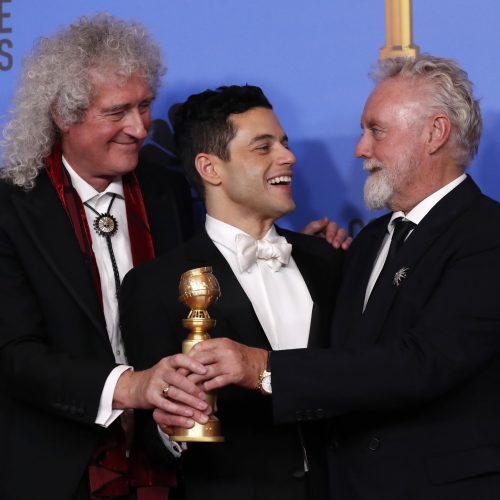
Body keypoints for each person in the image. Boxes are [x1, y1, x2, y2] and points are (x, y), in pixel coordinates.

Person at [171, 55, 500, 499]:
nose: (360, 149)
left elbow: (421, 363)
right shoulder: (366, 245)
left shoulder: (486, 235)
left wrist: (263, 369)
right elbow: (347, 358)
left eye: (376, 131)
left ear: (434, 133)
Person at [0, 14, 210, 500]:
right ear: (63, 115)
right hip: (52, 468)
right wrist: (129, 388)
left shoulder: (167, 189)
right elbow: (13, 354)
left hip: (164, 467)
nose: (138, 128)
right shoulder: (12, 208)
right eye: (117, 112)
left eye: (144, 106)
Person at [119, 85, 345, 500]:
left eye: (284, 143)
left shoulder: (330, 262)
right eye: (263, 147)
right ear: (211, 168)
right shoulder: (155, 286)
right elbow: (154, 443)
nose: (288, 157)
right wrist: (173, 429)